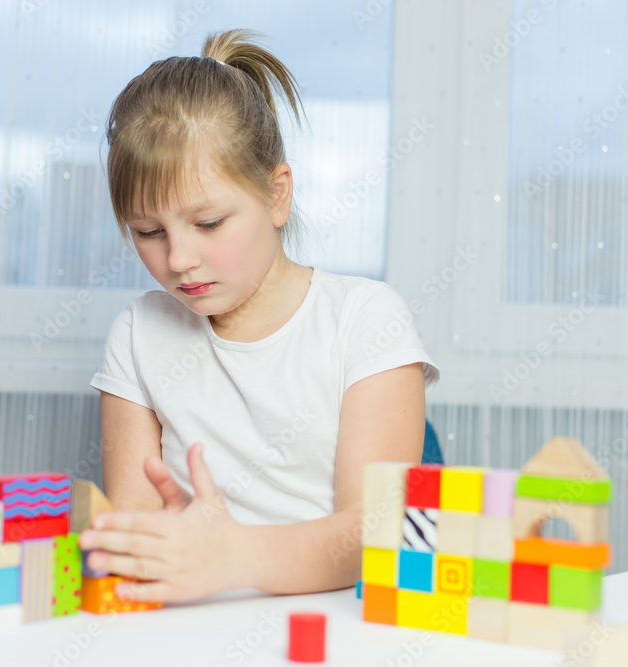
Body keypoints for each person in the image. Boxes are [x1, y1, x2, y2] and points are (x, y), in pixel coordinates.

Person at [79, 28, 440, 603]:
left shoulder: (365, 320)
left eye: (208, 223)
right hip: (185, 626)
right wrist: (145, 545)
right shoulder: (139, 333)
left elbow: (376, 533)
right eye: (148, 232)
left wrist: (235, 557)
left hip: (332, 627)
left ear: (277, 195)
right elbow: (134, 534)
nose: (179, 258)